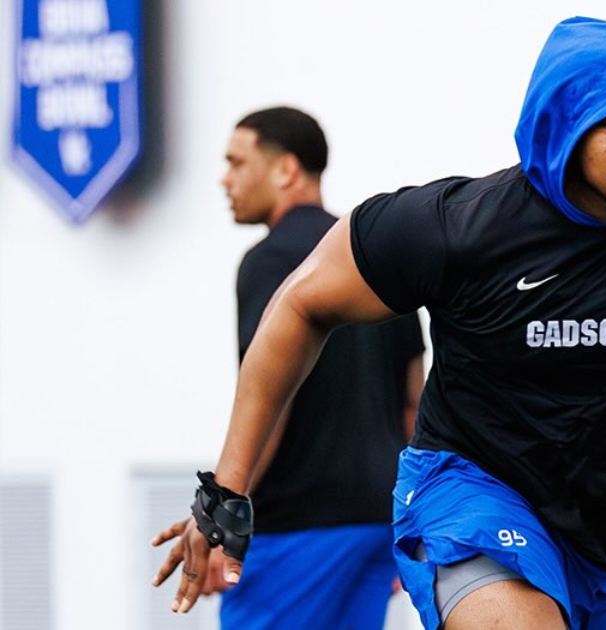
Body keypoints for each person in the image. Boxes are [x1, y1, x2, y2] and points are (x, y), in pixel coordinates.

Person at [153, 18, 606, 630]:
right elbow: (302, 304)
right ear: (561, 129)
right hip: (476, 490)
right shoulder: (458, 226)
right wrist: (227, 493)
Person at [151, 106, 426, 630]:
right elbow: (415, 405)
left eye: (236, 162)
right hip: (375, 523)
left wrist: (221, 519)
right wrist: (412, 524)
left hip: (298, 530)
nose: (224, 178)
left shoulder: (273, 262)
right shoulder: (378, 259)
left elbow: (268, 403)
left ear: (287, 170)